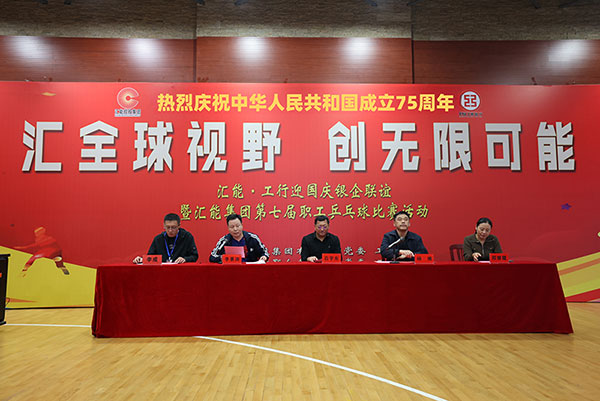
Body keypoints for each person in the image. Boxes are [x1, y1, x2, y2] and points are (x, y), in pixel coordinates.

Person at [133, 213, 198, 264]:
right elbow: (150, 257)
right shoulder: (158, 239)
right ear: (164, 225)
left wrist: (185, 259)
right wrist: (141, 259)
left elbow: (194, 256)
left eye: (173, 227)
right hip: (162, 271)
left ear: (179, 226)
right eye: (167, 227)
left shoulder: (187, 237)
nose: (170, 230)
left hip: (181, 270)